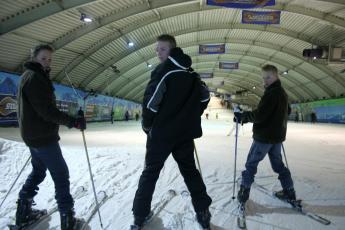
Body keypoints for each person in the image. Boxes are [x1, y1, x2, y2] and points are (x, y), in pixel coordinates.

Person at [131, 34, 212, 230]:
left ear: (172, 49)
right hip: (183, 135)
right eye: (157, 49)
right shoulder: (192, 74)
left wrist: (147, 126)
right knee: (190, 171)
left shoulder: (164, 71)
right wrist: (190, 116)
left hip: (162, 135)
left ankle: (140, 215)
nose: (158, 53)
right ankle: (203, 211)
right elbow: (204, 97)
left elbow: (151, 103)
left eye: (163, 49)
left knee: (150, 173)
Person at [16, 44, 86, 230]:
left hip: (32, 135)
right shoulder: (35, 78)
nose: (47, 62)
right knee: (61, 174)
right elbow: (46, 111)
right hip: (42, 137)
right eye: (43, 58)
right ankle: (67, 218)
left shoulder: (30, 76)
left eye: (49, 59)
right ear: (34, 58)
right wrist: (74, 122)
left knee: (38, 171)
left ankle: (23, 211)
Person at [234, 64, 296, 208]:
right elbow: (288, 110)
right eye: (264, 78)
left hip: (264, 137)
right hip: (277, 138)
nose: (265, 81)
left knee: (251, 164)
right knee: (278, 165)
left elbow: (259, 114)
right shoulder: (282, 93)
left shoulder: (272, 93)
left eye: (268, 77)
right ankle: (289, 191)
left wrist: (242, 116)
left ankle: (243, 193)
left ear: (276, 76)